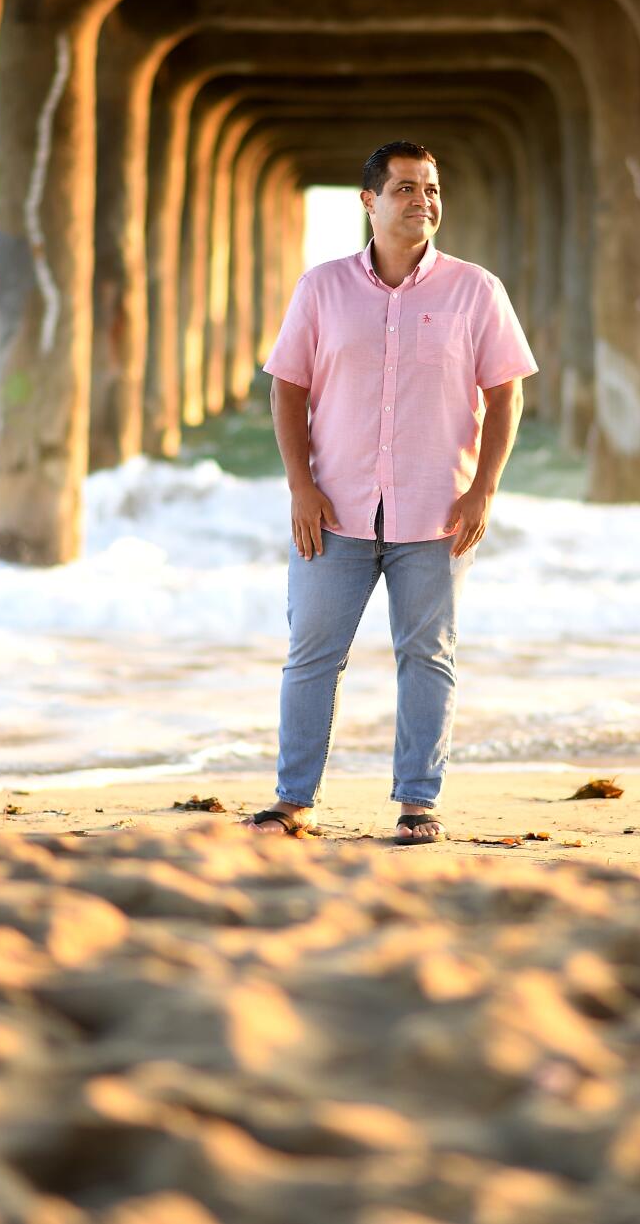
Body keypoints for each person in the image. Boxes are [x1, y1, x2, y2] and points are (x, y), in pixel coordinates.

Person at [245, 141, 537, 844]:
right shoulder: (321, 288)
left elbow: (506, 395)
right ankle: (295, 801)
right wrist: (300, 486)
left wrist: (483, 491)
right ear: (368, 201)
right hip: (334, 510)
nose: (423, 202)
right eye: (405, 188)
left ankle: (417, 803)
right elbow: (288, 387)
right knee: (312, 653)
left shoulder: (476, 290)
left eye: (431, 189)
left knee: (428, 656)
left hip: (437, 512)